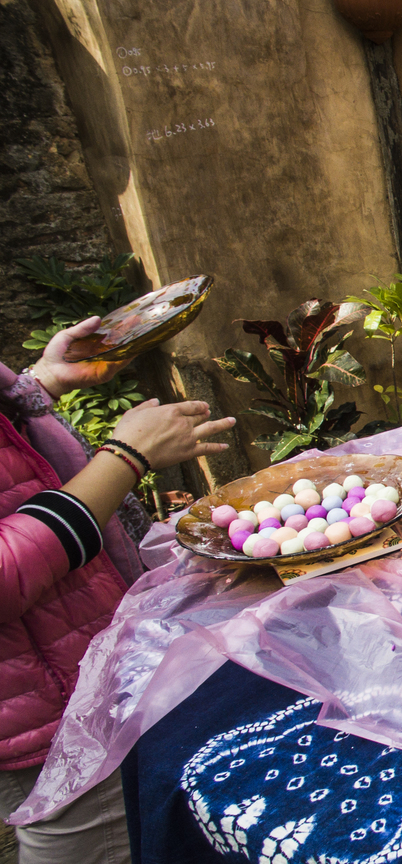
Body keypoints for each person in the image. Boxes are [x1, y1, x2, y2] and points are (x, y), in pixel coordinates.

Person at [0, 316, 235, 863]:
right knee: (95, 838)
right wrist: (125, 458)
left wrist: (40, 384)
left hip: (79, 658)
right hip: (44, 704)